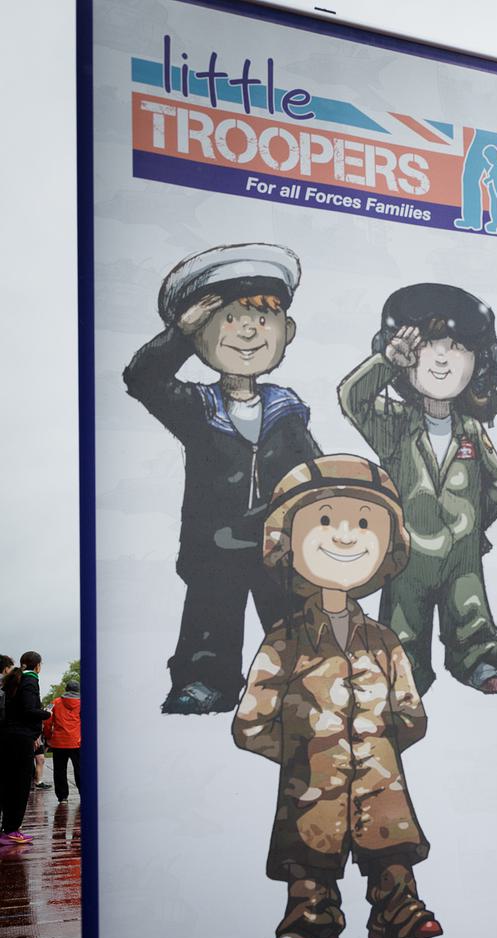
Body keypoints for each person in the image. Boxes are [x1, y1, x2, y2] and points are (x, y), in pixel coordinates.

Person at [233, 455, 440, 938]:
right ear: (287, 540)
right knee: (308, 859)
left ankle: (398, 912)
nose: (346, 536)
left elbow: (410, 714)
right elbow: (251, 722)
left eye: (365, 524)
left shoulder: (383, 640)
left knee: (391, 851)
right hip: (310, 786)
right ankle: (308, 924)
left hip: (380, 782)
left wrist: (375, 750)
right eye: (325, 521)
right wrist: (306, 753)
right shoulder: (285, 640)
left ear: (387, 546)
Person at [125, 244, 319, 715]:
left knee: (292, 618)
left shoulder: (287, 411)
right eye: (229, 319)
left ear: (286, 332)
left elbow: (313, 471)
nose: (249, 331)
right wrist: (178, 334)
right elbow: (142, 379)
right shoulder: (196, 408)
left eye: (263, 319)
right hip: (214, 543)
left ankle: (300, 682)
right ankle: (204, 682)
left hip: (279, 541)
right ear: (200, 336)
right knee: (211, 613)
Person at [339, 284, 497, 696]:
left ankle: (480, 660)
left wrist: (471, 526)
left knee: (470, 609)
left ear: (478, 361)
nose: (440, 357)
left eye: (455, 345)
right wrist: (385, 362)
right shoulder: (395, 424)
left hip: (462, 554)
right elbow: (353, 399)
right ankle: (404, 672)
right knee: (403, 622)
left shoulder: (470, 429)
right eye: (429, 343)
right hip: (408, 552)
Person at [1, 653, 48, 843]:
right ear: (37, 666)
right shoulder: (29, 681)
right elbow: (29, 710)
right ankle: (11, 829)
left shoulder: (14, 681)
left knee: (9, 783)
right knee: (20, 785)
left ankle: (9, 827)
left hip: (10, 736)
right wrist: (47, 714)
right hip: (20, 738)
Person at [43, 678, 82, 802]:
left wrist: (48, 737)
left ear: (66, 689)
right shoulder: (83, 703)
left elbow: (47, 720)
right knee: (80, 770)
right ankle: (84, 793)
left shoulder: (55, 702)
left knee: (59, 770)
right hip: (77, 742)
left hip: (59, 742)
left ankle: (62, 797)